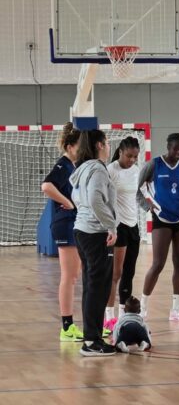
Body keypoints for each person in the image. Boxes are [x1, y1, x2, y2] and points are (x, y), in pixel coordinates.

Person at [69, 129, 118, 356]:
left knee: (92, 286)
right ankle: (91, 341)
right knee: (98, 287)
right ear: (99, 145)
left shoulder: (82, 169)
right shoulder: (97, 169)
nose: (108, 147)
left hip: (82, 231)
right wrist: (111, 225)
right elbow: (95, 200)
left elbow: (79, 199)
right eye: (106, 143)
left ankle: (92, 337)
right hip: (96, 233)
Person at [137, 133, 179, 321]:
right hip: (162, 218)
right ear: (168, 147)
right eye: (176, 148)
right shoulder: (154, 165)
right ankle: (142, 307)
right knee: (158, 264)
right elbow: (137, 190)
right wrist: (147, 206)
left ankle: (176, 309)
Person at [41, 123, 84, 342]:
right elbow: (46, 186)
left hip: (74, 222)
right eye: (79, 146)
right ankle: (67, 327)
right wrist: (67, 202)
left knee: (76, 275)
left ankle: (83, 324)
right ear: (69, 147)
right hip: (65, 223)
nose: (82, 150)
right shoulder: (63, 165)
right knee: (69, 276)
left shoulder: (74, 166)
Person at [105, 136, 141, 327]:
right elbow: (103, 199)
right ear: (120, 152)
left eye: (135, 157)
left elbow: (139, 195)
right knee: (115, 273)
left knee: (129, 272)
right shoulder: (110, 171)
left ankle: (123, 316)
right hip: (118, 227)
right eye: (129, 156)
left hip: (133, 225)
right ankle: (108, 316)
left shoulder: (136, 171)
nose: (132, 160)